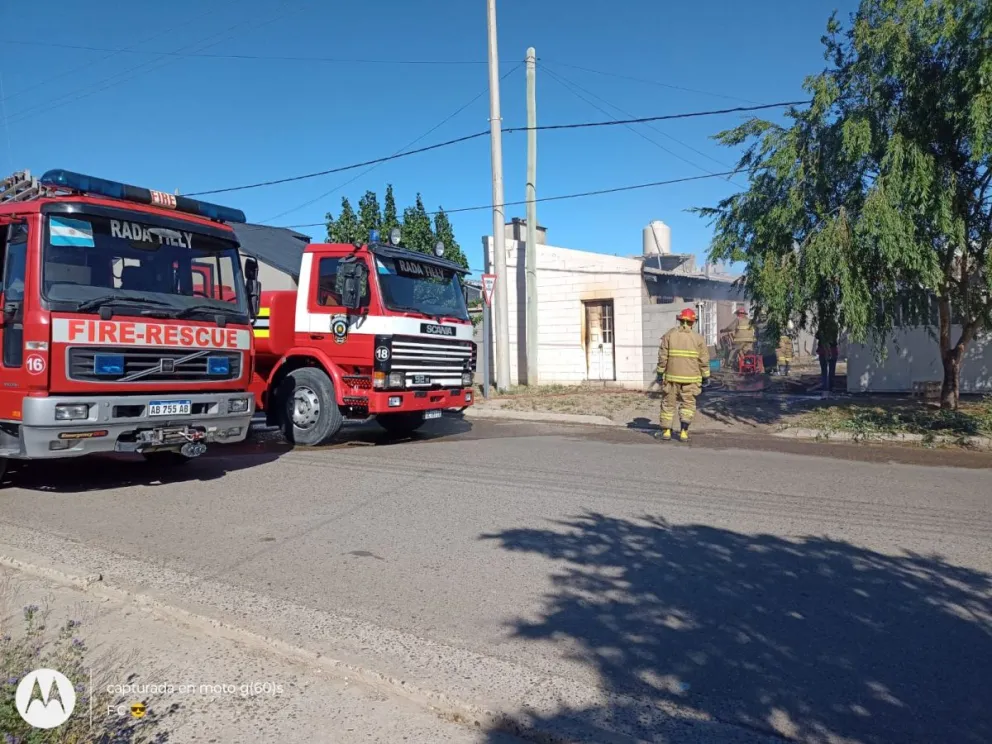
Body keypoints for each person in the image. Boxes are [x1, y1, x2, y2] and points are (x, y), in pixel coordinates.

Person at [655, 308, 710, 442]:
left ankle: (667, 432)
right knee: (688, 405)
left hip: (671, 378)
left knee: (668, 404)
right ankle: (683, 433)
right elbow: (704, 360)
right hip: (691, 380)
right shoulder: (698, 339)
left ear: (680, 320)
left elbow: (663, 357)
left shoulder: (669, 335)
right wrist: (706, 376)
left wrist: (659, 373)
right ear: (693, 322)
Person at [815, 318, 839, 397]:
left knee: (824, 371)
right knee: (831, 371)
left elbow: (817, 336)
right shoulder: (834, 327)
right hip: (832, 351)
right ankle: (830, 389)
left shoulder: (822, 327)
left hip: (823, 351)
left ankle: (825, 389)